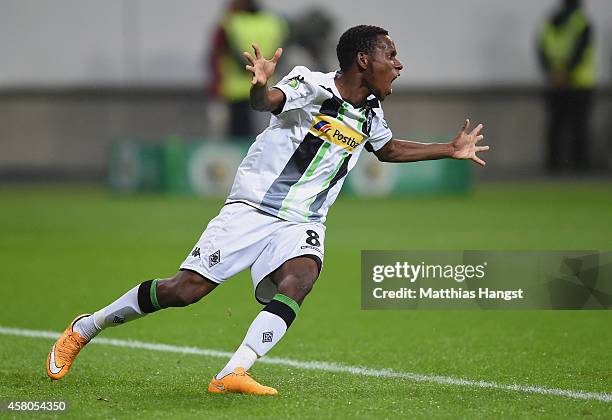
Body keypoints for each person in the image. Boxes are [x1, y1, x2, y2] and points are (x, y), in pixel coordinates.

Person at [46, 25, 488, 395]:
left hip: (304, 220)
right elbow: (267, 103)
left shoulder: (370, 113)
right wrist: (258, 86)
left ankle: (231, 372)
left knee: (301, 279)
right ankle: (87, 326)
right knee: (186, 291)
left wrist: (448, 149)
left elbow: (388, 150)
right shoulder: (311, 85)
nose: (399, 63)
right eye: (391, 54)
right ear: (362, 60)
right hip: (255, 206)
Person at [208, 0, 287, 139]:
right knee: (265, 137)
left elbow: (221, 55)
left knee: (239, 141)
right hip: (268, 89)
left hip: (237, 92)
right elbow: (281, 54)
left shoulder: (231, 23)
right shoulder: (274, 22)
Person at [537, 0, 595, 172]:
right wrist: (566, 74)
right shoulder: (582, 21)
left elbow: (541, 50)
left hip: (556, 83)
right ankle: (579, 167)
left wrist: (553, 73)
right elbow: (581, 51)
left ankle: (554, 166)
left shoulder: (550, 21)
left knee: (556, 126)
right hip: (580, 83)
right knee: (578, 127)